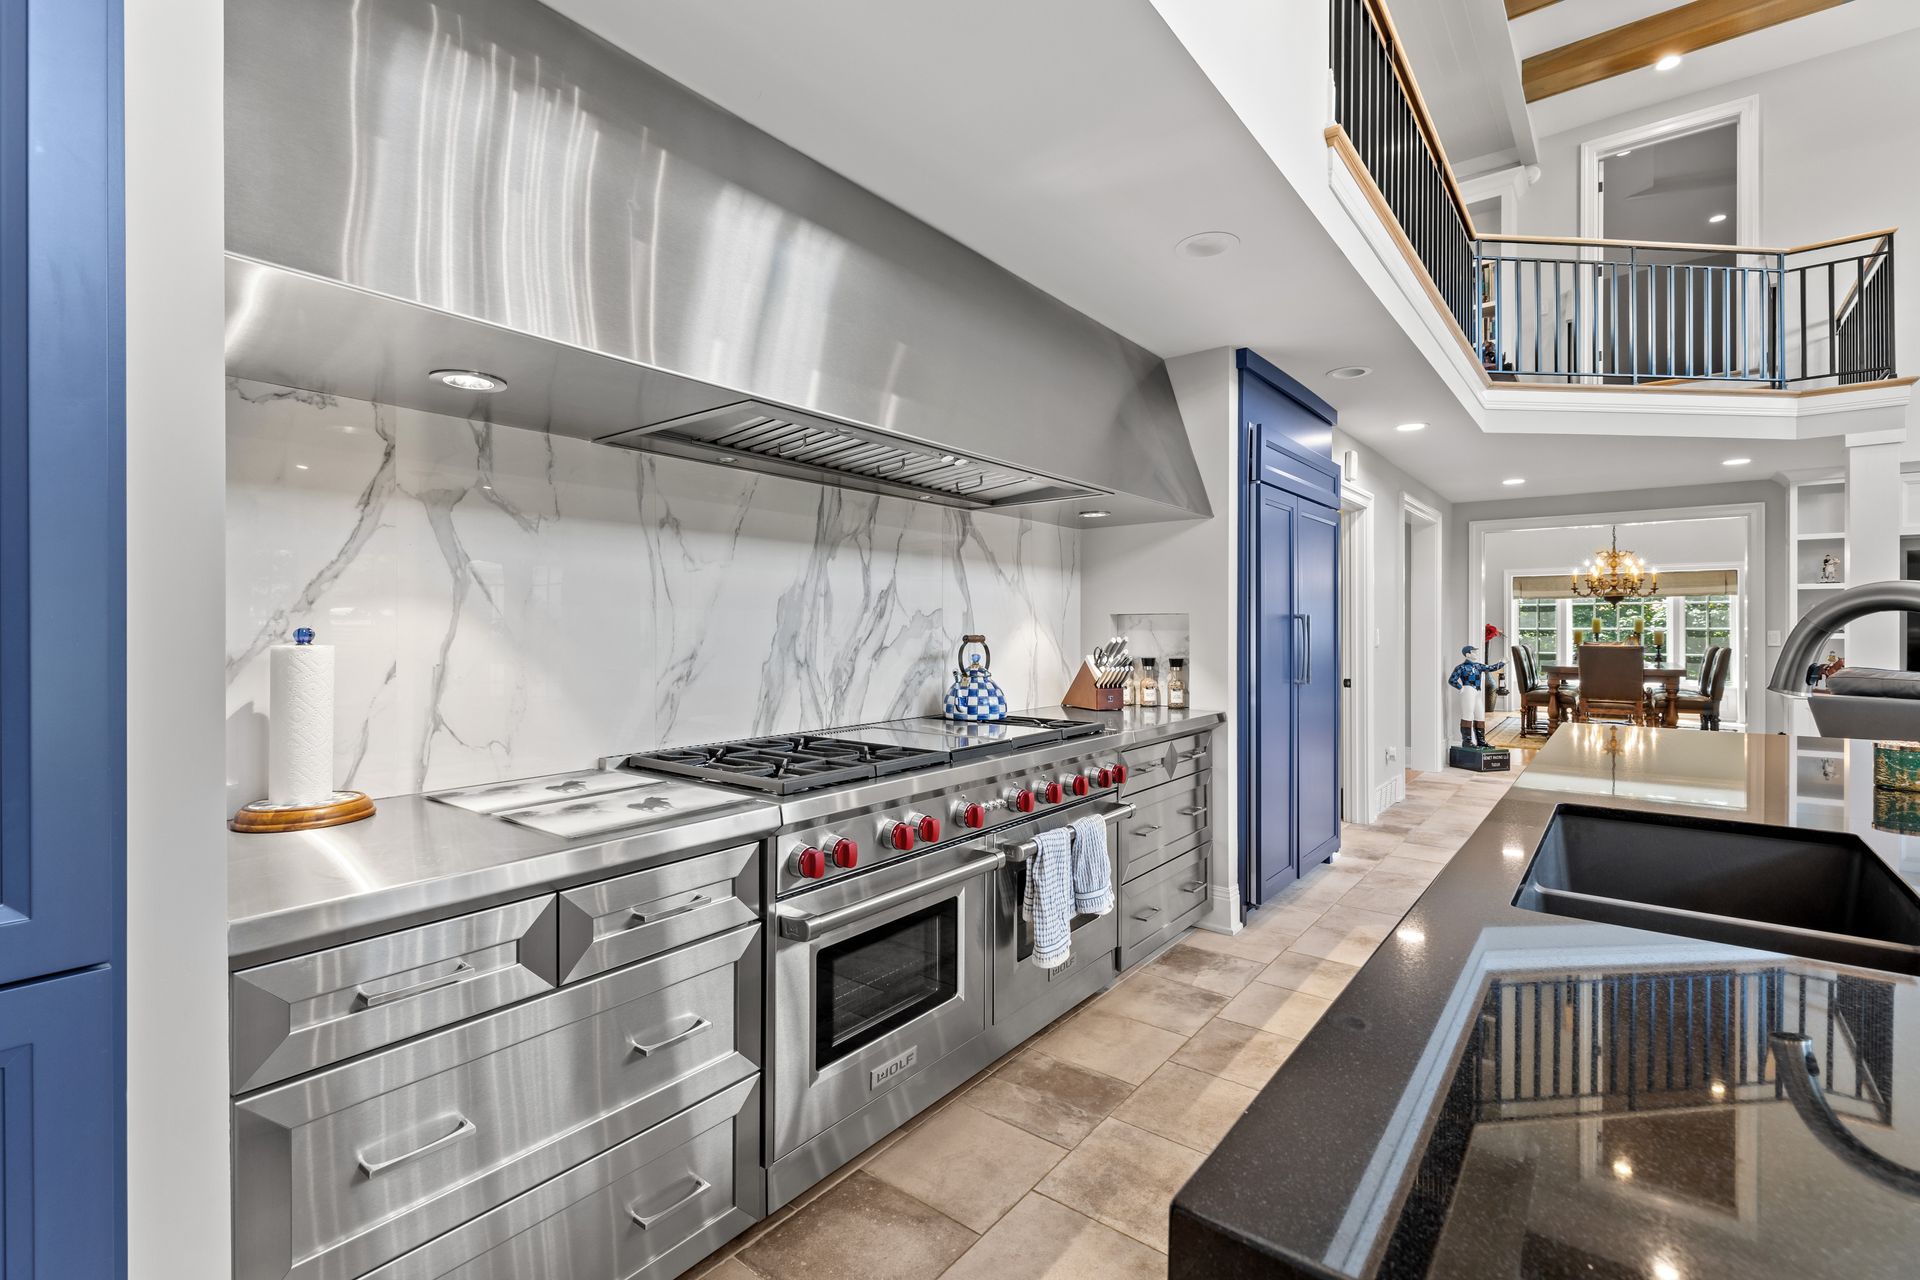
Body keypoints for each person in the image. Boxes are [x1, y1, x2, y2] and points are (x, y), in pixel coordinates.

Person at [1448, 644, 1505, 749]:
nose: (1476, 653)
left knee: (1480, 715)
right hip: (1468, 689)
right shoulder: (1461, 667)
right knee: (1468, 714)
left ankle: (1481, 741)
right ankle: (1467, 741)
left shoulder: (1478, 666)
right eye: (1474, 652)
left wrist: (1503, 663)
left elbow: (1490, 668)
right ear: (1468, 654)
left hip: (1477, 692)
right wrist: (1461, 688)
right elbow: (1452, 680)